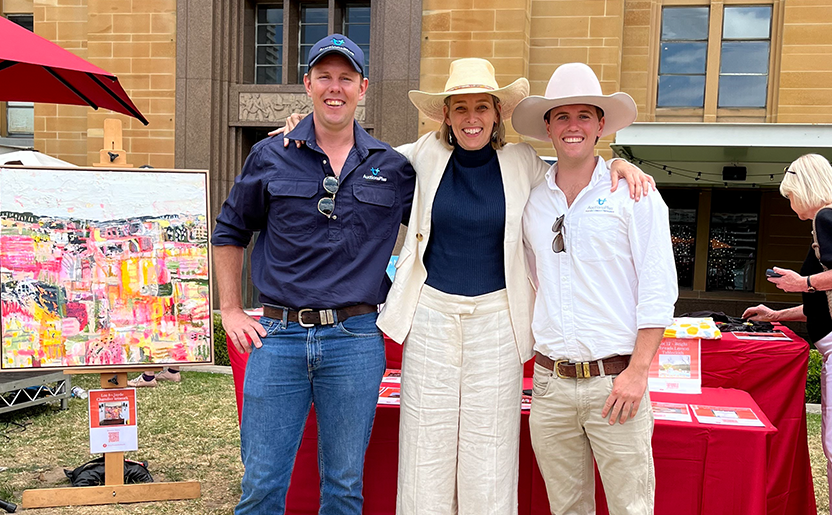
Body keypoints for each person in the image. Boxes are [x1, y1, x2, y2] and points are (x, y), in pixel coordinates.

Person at [273, 58, 655, 515]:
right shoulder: (418, 157)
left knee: (490, 452)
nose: (471, 118)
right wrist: (307, 129)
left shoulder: (522, 162)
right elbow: (354, 157)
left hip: (498, 320)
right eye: (460, 108)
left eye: (481, 107)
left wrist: (616, 165)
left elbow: (574, 168)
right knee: (423, 447)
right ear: (446, 116)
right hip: (430, 315)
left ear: (496, 114)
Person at [211, 34, 416, 515]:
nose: (335, 87)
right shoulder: (269, 155)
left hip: (356, 339)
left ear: (363, 87)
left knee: (344, 486)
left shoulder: (393, 167)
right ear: (307, 83)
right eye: (324, 76)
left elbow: (455, 194)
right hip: (277, 337)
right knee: (262, 483)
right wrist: (230, 309)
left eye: (346, 77)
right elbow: (229, 232)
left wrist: (609, 163)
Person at [514, 62, 678, 515]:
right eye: (561, 116)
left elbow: (658, 289)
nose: (573, 127)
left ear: (601, 124)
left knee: (631, 507)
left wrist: (638, 371)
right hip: (550, 385)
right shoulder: (531, 197)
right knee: (566, 508)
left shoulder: (636, 195)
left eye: (584, 115)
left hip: (616, 382)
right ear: (548, 127)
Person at [743, 153, 832, 515]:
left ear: (806, 189)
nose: (789, 205)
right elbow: (824, 304)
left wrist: (801, 281)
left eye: (791, 196)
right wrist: (776, 314)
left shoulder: (827, 217)